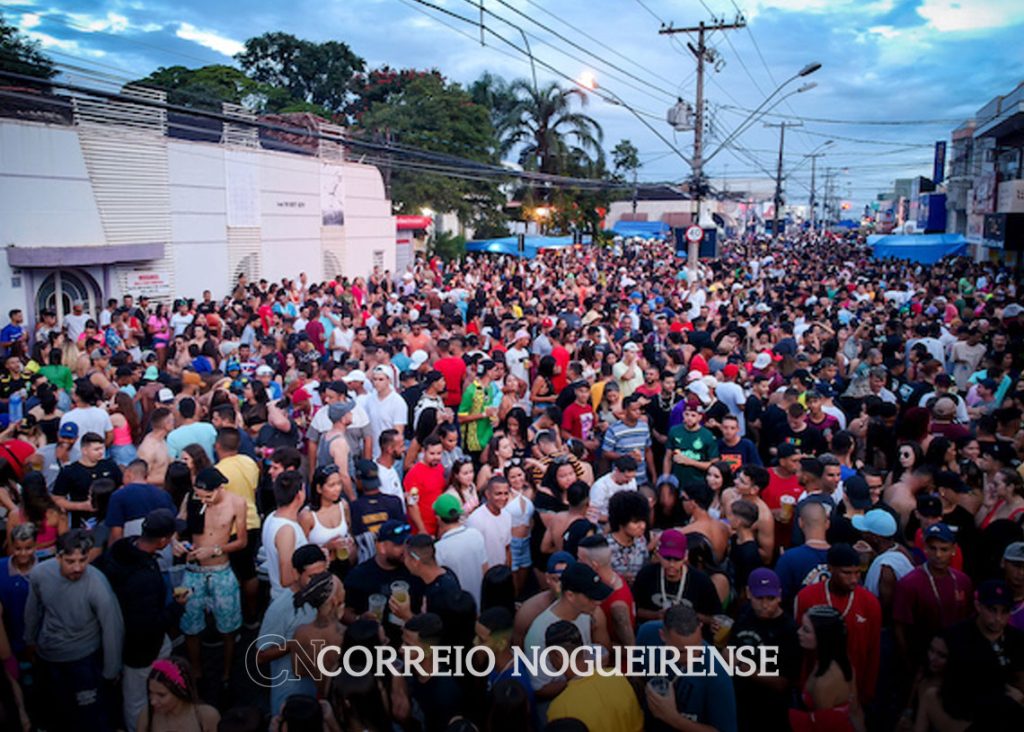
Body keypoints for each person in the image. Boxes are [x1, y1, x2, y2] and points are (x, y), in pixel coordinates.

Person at [23, 529, 125, 732]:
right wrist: (30, 640)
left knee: (90, 718)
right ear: (58, 556)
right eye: (70, 561)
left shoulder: (97, 584)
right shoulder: (40, 574)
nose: (78, 567)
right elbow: (33, 610)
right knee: (55, 715)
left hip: (84, 660)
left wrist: (111, 669)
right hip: (49, 657)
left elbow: (113, 627)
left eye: (83, 560)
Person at [99, 508, 186, 732]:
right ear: (163, 540)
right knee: (137, 698)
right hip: (140, 650)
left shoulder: (124, 548)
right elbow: (148, 626)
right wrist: (177, 608)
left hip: (132, 637)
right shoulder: (143, 579)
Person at [178, 466, 247, 685]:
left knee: (228, 626)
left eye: (208, 496)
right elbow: (177, 526)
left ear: (219, 489)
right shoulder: (191, 498)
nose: (204, 500)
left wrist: (215, 550)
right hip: (194, 571)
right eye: (200, 496)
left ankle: (226, 673)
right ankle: (197, 672)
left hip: (220, 570)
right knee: (191, 625)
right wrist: (175, 543)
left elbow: (242, 541)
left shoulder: (237, 503)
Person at [794, 543, 882, 705]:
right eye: (846, 573)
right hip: (813, 686)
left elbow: (873, 650)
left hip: (855, 689)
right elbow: (800, 648)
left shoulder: (870, 603)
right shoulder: (807, 597)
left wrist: (867, 693)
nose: (854, 579)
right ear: (830, 568)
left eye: (857, 573)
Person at [255, 544, 329, 717]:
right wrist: (296, 643)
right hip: (291, 692)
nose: (319, 581)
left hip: (318, 685)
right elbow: (260, 656)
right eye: (312, 576)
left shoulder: (324, 594)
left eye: (322, 575)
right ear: (296, 574)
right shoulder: (280, 609)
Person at [893, 522, 974, 673]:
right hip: (923, 661)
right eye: (933, 548)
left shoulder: (963, 581)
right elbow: (900, 628)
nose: (938, 555)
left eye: (944, 549)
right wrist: (908, 663)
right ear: (925, 548)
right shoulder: (909, 584)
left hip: (958, 659)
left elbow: (969, 618)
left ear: (954, 550)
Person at [646, 601, 739, 732]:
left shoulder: (717, 675)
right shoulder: (647, 635)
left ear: (700, 628)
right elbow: (639, 673)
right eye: (682, 652)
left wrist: (673, 718)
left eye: (696, 647)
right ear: (662, 636)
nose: (692, 657)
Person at [729, 568, 801, 732]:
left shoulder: (788, 630)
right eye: (759, 598)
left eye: (771, 598)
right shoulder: (745, 613)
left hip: (771, 713)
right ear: (748, 593)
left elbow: (782, 683)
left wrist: (741, 666)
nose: (765, 604)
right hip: (739, 706)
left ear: (780, 596)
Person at [792, 605, 865, 732]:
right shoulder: (844, 664)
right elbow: (855, 710)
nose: (799, 632)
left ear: (823, 637)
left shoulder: (823, 684)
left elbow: (822, 727)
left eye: (806, 630)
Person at [633, 529, 722, 623]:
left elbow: (715, 618)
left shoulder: (701, 581)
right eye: (667, 558)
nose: (671, 564)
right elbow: (634, 608)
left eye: (677, 559)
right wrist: (656, 615)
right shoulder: (646, 574)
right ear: (658, 554)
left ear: (686, 556)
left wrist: (688, 616)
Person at [52, 430, 122, 528]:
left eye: (102, 448)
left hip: (111, 518)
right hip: (83, 522)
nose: (101, 452)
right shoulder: (69, 471)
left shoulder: (110, 465)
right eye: (96, 449)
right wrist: (81, 506)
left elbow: (121, 486)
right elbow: (57, 499)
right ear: (84, 450)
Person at [261, 470, 310, 602]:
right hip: (290, 601)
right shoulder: (286, 530)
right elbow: (287, 578)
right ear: (299, 494)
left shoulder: (272, 516)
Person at [433, 494, 488, 609]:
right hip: (480, 604)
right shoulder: (476, 535)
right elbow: (485, 570)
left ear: (438, 518)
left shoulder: (439, 550)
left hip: (458, 611)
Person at [138, 656, 220, 732]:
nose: (153, 701)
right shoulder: (147, 716)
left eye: (161, 695)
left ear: (180, 692)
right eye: (151, 692)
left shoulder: (207, 717)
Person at [348, 458, 405, 563]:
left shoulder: (354, 507)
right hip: (394, 561)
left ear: (359, 480)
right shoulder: (395, 502)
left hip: (366, 565)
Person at [665, 397, 718, 491]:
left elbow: (713, 464)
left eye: (693, 415)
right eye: (687, 414)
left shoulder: (707, 435)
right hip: (676, 482)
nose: (689, 418)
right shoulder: (674, 431)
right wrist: (666, 479)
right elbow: (668, 457)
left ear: (700, 417)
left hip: (698, 483)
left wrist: (689, 461)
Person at [466, 475, 513, 570]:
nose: (503, 498)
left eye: (506, 493)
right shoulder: (475, 519)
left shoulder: (507, 515)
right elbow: (471, 554)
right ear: (487, 494)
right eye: (498, 494)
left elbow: (507, 547)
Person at [403, 435, 447, 536]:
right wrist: (422, 530)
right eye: (432, 453)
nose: (436, 457)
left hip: (439, 527)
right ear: (423, 451)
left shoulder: (440, 468)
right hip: (423, 529)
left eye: (439, 453)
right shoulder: (414, 474)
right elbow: (412, 504)